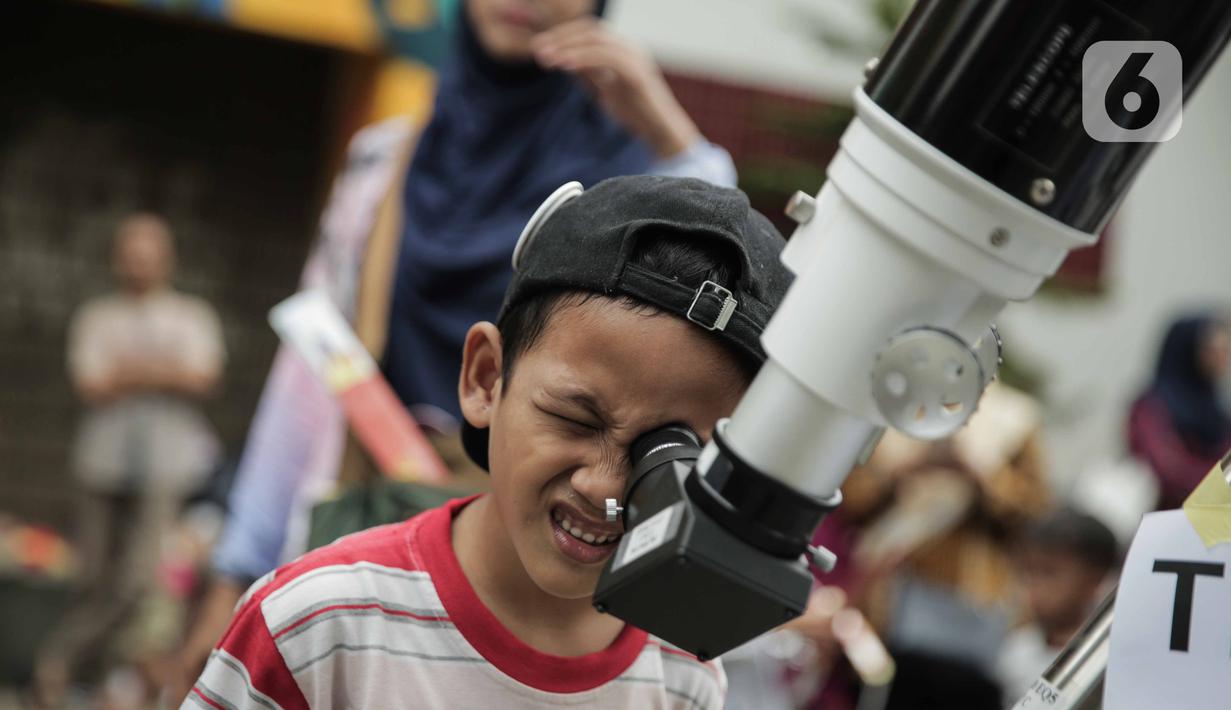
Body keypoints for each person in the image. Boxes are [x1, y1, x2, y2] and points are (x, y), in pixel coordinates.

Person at [173, 0, 737, 685]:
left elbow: (722, 294)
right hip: (375, 537)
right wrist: (239, 564)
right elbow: (312, 370)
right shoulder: (385, 162)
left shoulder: (631, 182)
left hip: (551, 571)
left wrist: (667, 131)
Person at [183, 175, 790, 708]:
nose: (604, 486)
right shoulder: (317, 623)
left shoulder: (683, 674)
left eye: (668, 456)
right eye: (576, 420)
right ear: (485, 378)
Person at [35, 214, 225, 706]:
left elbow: (203, 377)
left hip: (167, 469)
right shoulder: (98, 316)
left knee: (142, 581)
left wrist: (130, 370)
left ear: (167, 259)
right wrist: (164, 371)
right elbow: (92, 384)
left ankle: (62, 664)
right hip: (101, 466)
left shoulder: (190, 315)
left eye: (149, 254)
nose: (139, 264)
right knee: (93, 576)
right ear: (117, 259)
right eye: (131, 253)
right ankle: (86, 678)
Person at [995, 509, 1118, 706]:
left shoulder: (1105, 668)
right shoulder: (1015, 650)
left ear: (1095, 581)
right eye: (1029, 572)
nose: (1035, 586)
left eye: (1049, 573)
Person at [1128, 313, 1231, 510]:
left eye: (1226, 350)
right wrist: (1220, 484)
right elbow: (1167, 469)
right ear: (1187, 350)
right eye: (1213, 350)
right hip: (1162, 517)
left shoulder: (1217, 411)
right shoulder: (1151, 407)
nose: (1222, 359)